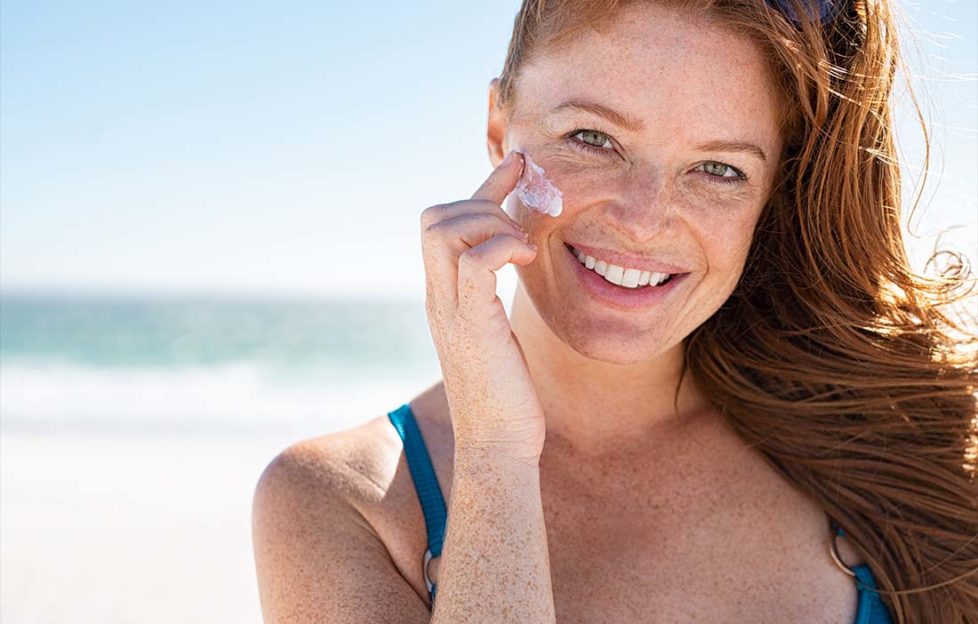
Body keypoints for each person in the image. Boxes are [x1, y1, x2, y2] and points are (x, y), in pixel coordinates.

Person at [251, 1, 977, 622]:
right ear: (500, 128)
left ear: (772, 196)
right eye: (592, 139)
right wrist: (497, 455)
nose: (642, 220)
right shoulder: (343, 503)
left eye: (719, 169)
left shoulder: (911, 451)